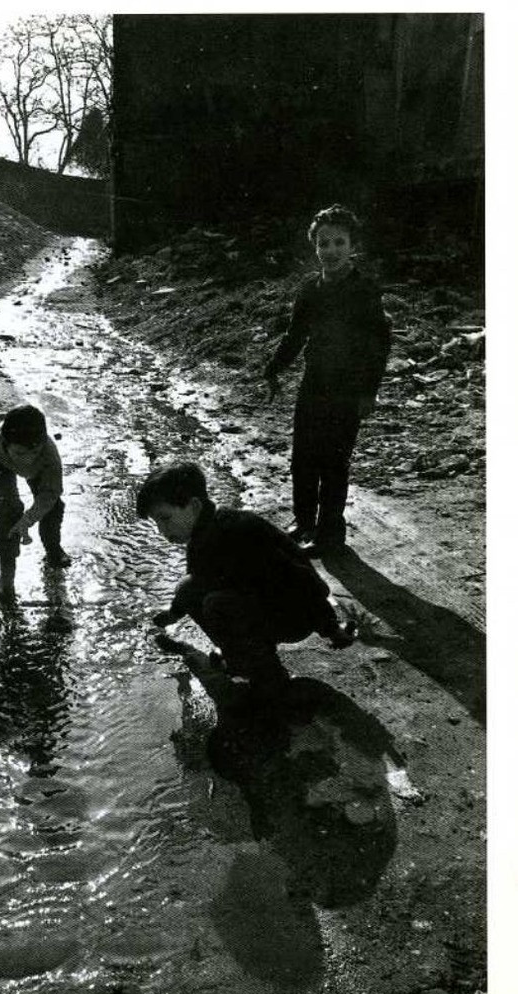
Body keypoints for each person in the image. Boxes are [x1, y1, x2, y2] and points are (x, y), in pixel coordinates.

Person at [136, 461, 355, 704]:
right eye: (156, 522)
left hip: (295, 615)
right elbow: (196, 582)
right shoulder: (202, 535)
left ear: (194, 505)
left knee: (216, 603)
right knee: (187, 588)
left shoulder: (238, 531)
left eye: (165, 519)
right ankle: (241, 656)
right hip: (264, 606)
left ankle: (269, 674)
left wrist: (331, 628)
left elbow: (302, 577)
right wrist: (174, 613)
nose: (161, 530)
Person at [262, 204, 391, 554]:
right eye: (323, 243)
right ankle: (304, 522)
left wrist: (369, 393)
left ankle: (330, 534)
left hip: (348, 391)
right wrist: (273, 368)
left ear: (352, 246)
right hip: (314, 384)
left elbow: (379, 346)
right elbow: (295, 336)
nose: (330, 251)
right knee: (303, 457)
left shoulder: (364, 291)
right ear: (314, 247)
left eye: (339, 242)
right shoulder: (310, 290)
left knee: (333, 462)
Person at [0, 404, 70, 602]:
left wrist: (27, 522)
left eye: (35, 452)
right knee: (9, 509)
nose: (28, 460)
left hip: (39, 472)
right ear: (6, 443)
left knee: (53, 508)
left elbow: (49, 494)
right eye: (22, 454)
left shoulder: (48, 456)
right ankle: (6, 579)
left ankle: (53, 550)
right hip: (0, 462)